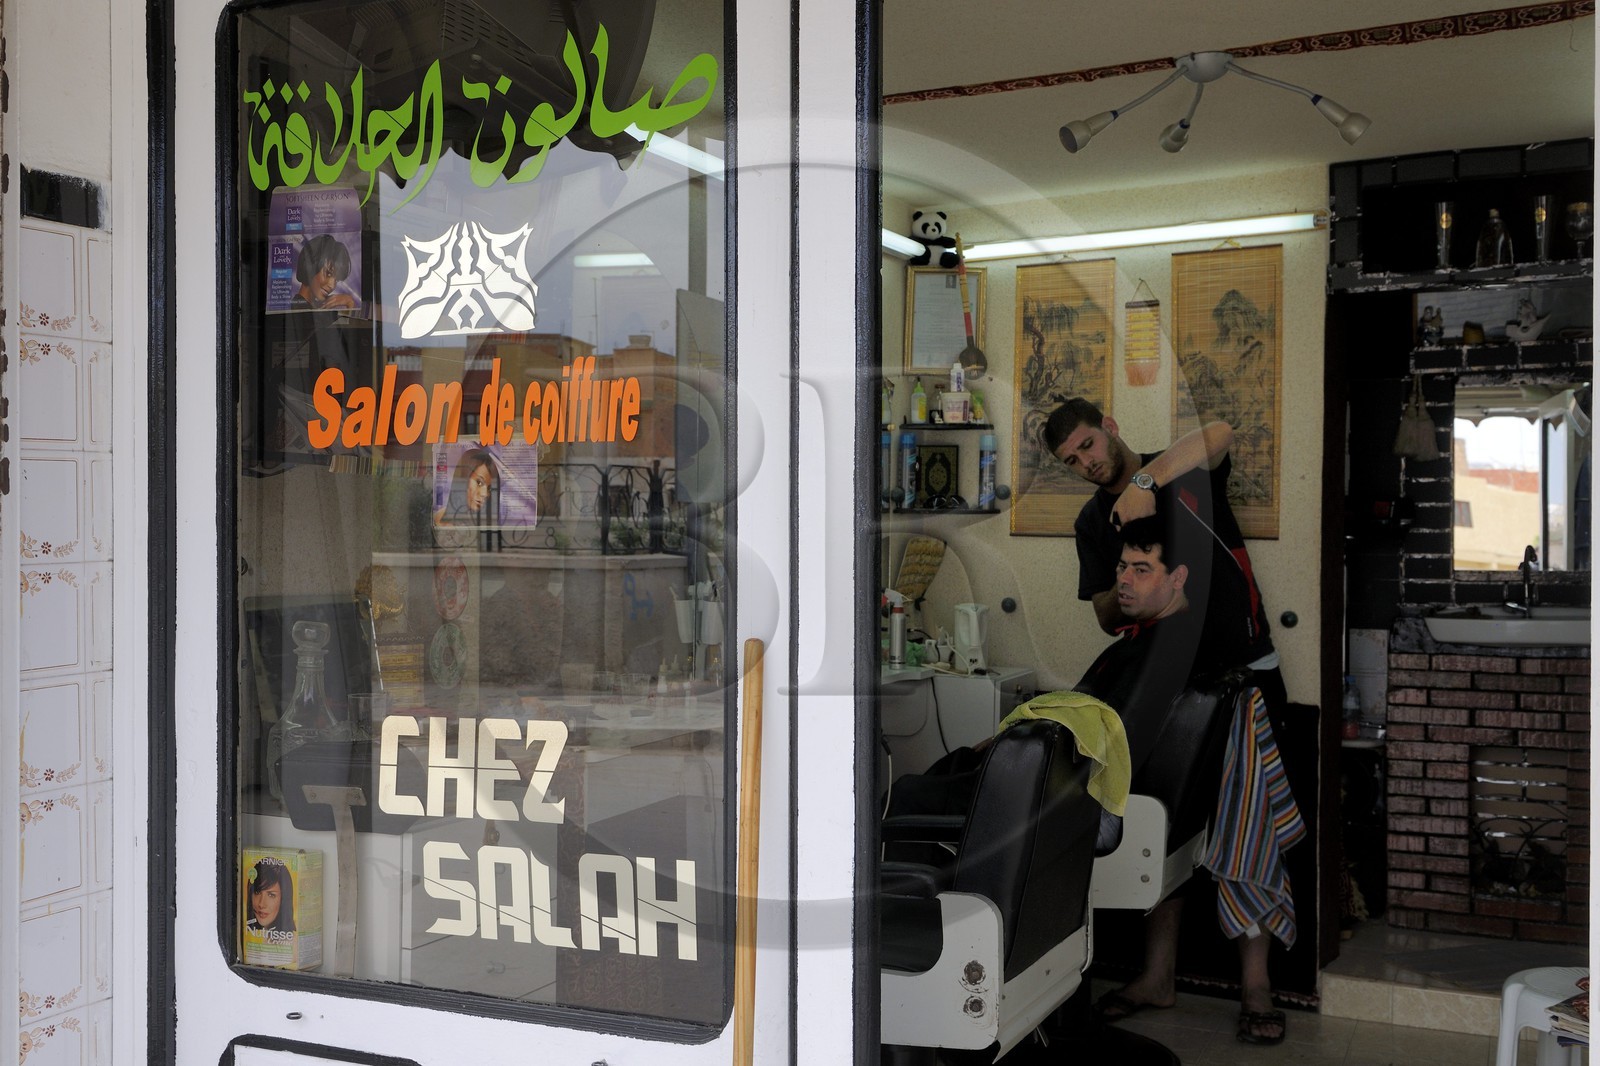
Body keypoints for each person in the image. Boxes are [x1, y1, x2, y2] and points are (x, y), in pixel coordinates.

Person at [1042, 397, 1289, 1046]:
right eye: (1073, 461)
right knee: (1164, 827)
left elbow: (1222, 429)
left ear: (1112, 429)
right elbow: (1102, 611)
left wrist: (1145, 485)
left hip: (1242, 673)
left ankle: (1257, 984)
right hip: (1161, 690)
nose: (1087, 464)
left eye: (1090, 446)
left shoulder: (1178, 473)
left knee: (1246, 827)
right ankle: (1158, 974)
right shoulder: (1093, 522)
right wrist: (1126, 589)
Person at [290, 234, 358, 311]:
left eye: (336, 280)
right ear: (311, 267)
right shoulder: (301, 312)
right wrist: (350, 302)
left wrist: (350, 301)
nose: (332, 286)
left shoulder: (313, 309)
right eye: (328, 274)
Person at [435, 448, 499, 526]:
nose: (485, 494)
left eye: (490, 488)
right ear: (464, 478)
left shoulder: (485, 525)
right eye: (479, 482)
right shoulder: (439, 520)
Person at [245, 857, 296, 934]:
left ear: (284, 899)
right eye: (257, 892)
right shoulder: (249, 935)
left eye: (271, 895)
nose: (261, 904)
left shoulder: (292, 942)